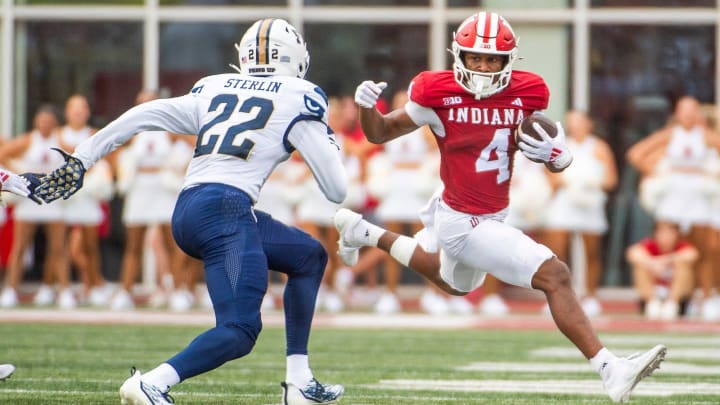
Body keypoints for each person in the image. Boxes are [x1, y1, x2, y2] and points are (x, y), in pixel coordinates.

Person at [334, 11, 665, 403]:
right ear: (459, 55)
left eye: (492, 59)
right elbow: (380, 133)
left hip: (486, 214)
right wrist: (368, 108)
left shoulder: (529, 94)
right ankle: (610, 368)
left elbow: (558, 160)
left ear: (509, 62)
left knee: (453, 284)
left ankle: (362, 231)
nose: (484, 66)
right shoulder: (436, 93)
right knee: (554, 275)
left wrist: (556, 156)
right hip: (462, 219)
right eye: (475, 57)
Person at [33, 18, 345, 405]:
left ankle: (299, 383)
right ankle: (153, 383)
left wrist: (83, 158)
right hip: (226, 209)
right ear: (296, 58)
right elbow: (336, 189)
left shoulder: (215, 86)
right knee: (240, 329)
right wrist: (324, 140)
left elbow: (142, 115)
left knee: (308, 255)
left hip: (190, 206)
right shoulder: (300, 96)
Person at [627, 96, 720, 320]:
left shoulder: (706, 137)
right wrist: (654, 172)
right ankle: (671, 298)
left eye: (692, 110)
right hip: (672, 200)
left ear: (697, 113)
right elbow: (635, 154)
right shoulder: (669, 135)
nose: (688, 115)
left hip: (698, 198)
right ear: (677, 113)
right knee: (670, 247)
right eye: (683, 110)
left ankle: (707, 297)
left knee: (704, 250)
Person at [543, 110, 618, 317]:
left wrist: (589, 183)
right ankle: (558, 296)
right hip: (564, 203)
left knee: (592, 252)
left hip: (589, 204)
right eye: (571, 123)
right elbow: (550, 177)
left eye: (579, 122)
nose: (576, 126)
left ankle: (591, 296)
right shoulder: (559, 146)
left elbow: (610, 179)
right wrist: (565, 183)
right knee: (557, 253)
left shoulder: (599, 147)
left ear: (589, 124)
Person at [0, 106, 74, 309]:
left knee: (58, 247)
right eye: (42, 121)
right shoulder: (27, 140)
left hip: (51, 198)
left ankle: (64, 290)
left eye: (49, 122)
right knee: (20, 246)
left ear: (55, 124)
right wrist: (19, 173)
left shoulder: (60, 141)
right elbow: (3, 154)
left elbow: (75, 159)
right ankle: (11, 289)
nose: (45, 125)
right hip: (28, 198)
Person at [626, 221, 696, 320]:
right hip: (654, 293)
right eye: (662, 232)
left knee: (683, 266)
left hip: (677, 298)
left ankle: (672, 304)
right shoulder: (650, 246)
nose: (666, 236)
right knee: (640, 267)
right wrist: (652, 263)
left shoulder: (681, 246)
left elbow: (692, 255)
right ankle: (652, 303)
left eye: (670, 232)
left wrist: (664, 260)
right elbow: (632, 253)